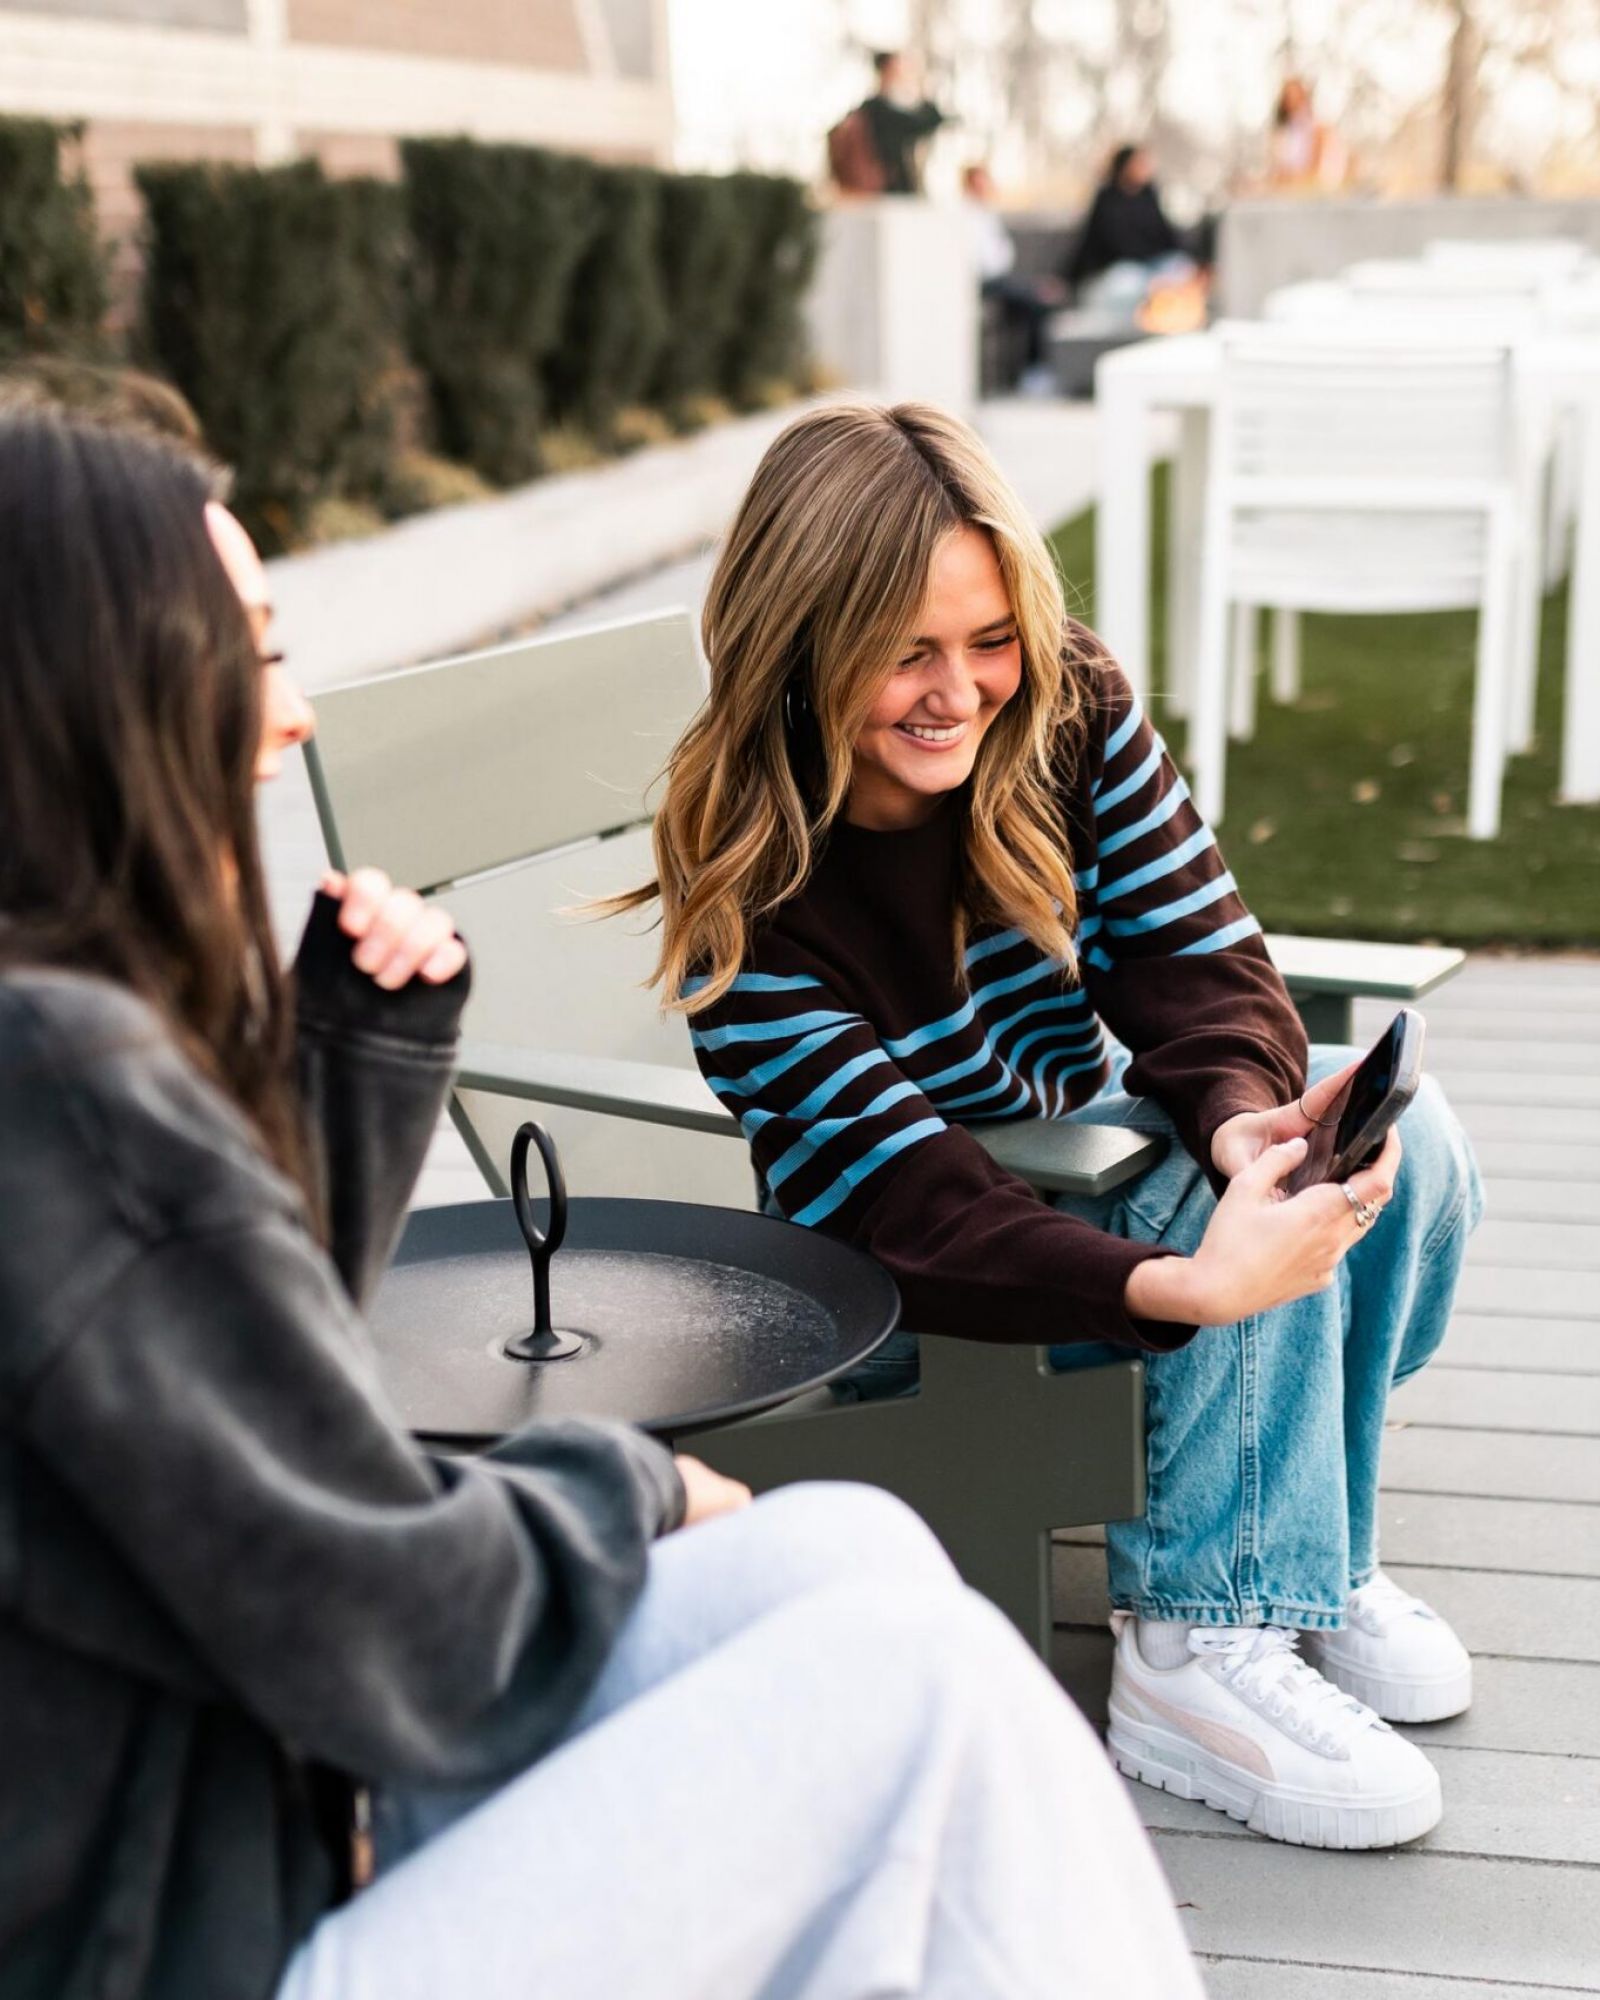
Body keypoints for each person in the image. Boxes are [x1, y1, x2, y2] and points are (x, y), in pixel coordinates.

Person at [0, 411, 1205, 2000]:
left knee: (851, 1556)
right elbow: (380, 1615)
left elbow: (245, 1407)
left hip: (238, 1803)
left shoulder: (68, 1041)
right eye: (254, 655)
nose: (288, 716)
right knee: (919, 1689)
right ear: (107, 691)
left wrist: (351, 1076)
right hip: (174, 1936)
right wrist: (626, 1487)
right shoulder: (59, 1091)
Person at [613, 401, 1485, 1854]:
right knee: (1205, 1218)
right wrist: (1187, 1281)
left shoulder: (1064, 699)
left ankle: (1302, 1560)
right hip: (907, 1282)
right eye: (906, 651)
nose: (962, 691)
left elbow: (1198, 957)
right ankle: (1193, 1655)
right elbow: (911, 1209)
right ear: (801, 642)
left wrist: (1247, 1123)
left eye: (989, 635)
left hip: (1066, 1169)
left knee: (1405, 1133)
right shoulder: (754, 888)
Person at [1067, 143, 1205, 330]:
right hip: (1125, 267)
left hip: (1154, 265)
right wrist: (1067, 278)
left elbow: (1166, 235)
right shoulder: (1107, 199)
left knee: (1180, 267)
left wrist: (1191, 260)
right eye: (1139, 163)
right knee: (1128, 282)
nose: (1146, 168)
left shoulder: (1150, 196)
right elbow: (1093, 242)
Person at [962, 163, 1065, 396]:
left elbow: (1003, 256)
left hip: (999, 278)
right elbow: (986, 261)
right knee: (1036, 299)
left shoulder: (986, 215)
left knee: (1036, 296)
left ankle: (1034, 368)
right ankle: (1035, 371)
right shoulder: (965, 216)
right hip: (983, 282)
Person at [850, 49, 947, 197]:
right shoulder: (878, 109)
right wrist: (921, 87)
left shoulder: (875, 107)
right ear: (886, 69)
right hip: (885, 186)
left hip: (889, 185)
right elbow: (925, 122)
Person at [1268, 76, 1352, 192]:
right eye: (1288, 97)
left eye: (1295, 96)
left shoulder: (1317, 128)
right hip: (1291, 188)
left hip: (1311, 188)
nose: (1292, 101)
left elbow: (1315, 167)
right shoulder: (1283, 132)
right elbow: (1280, 169)